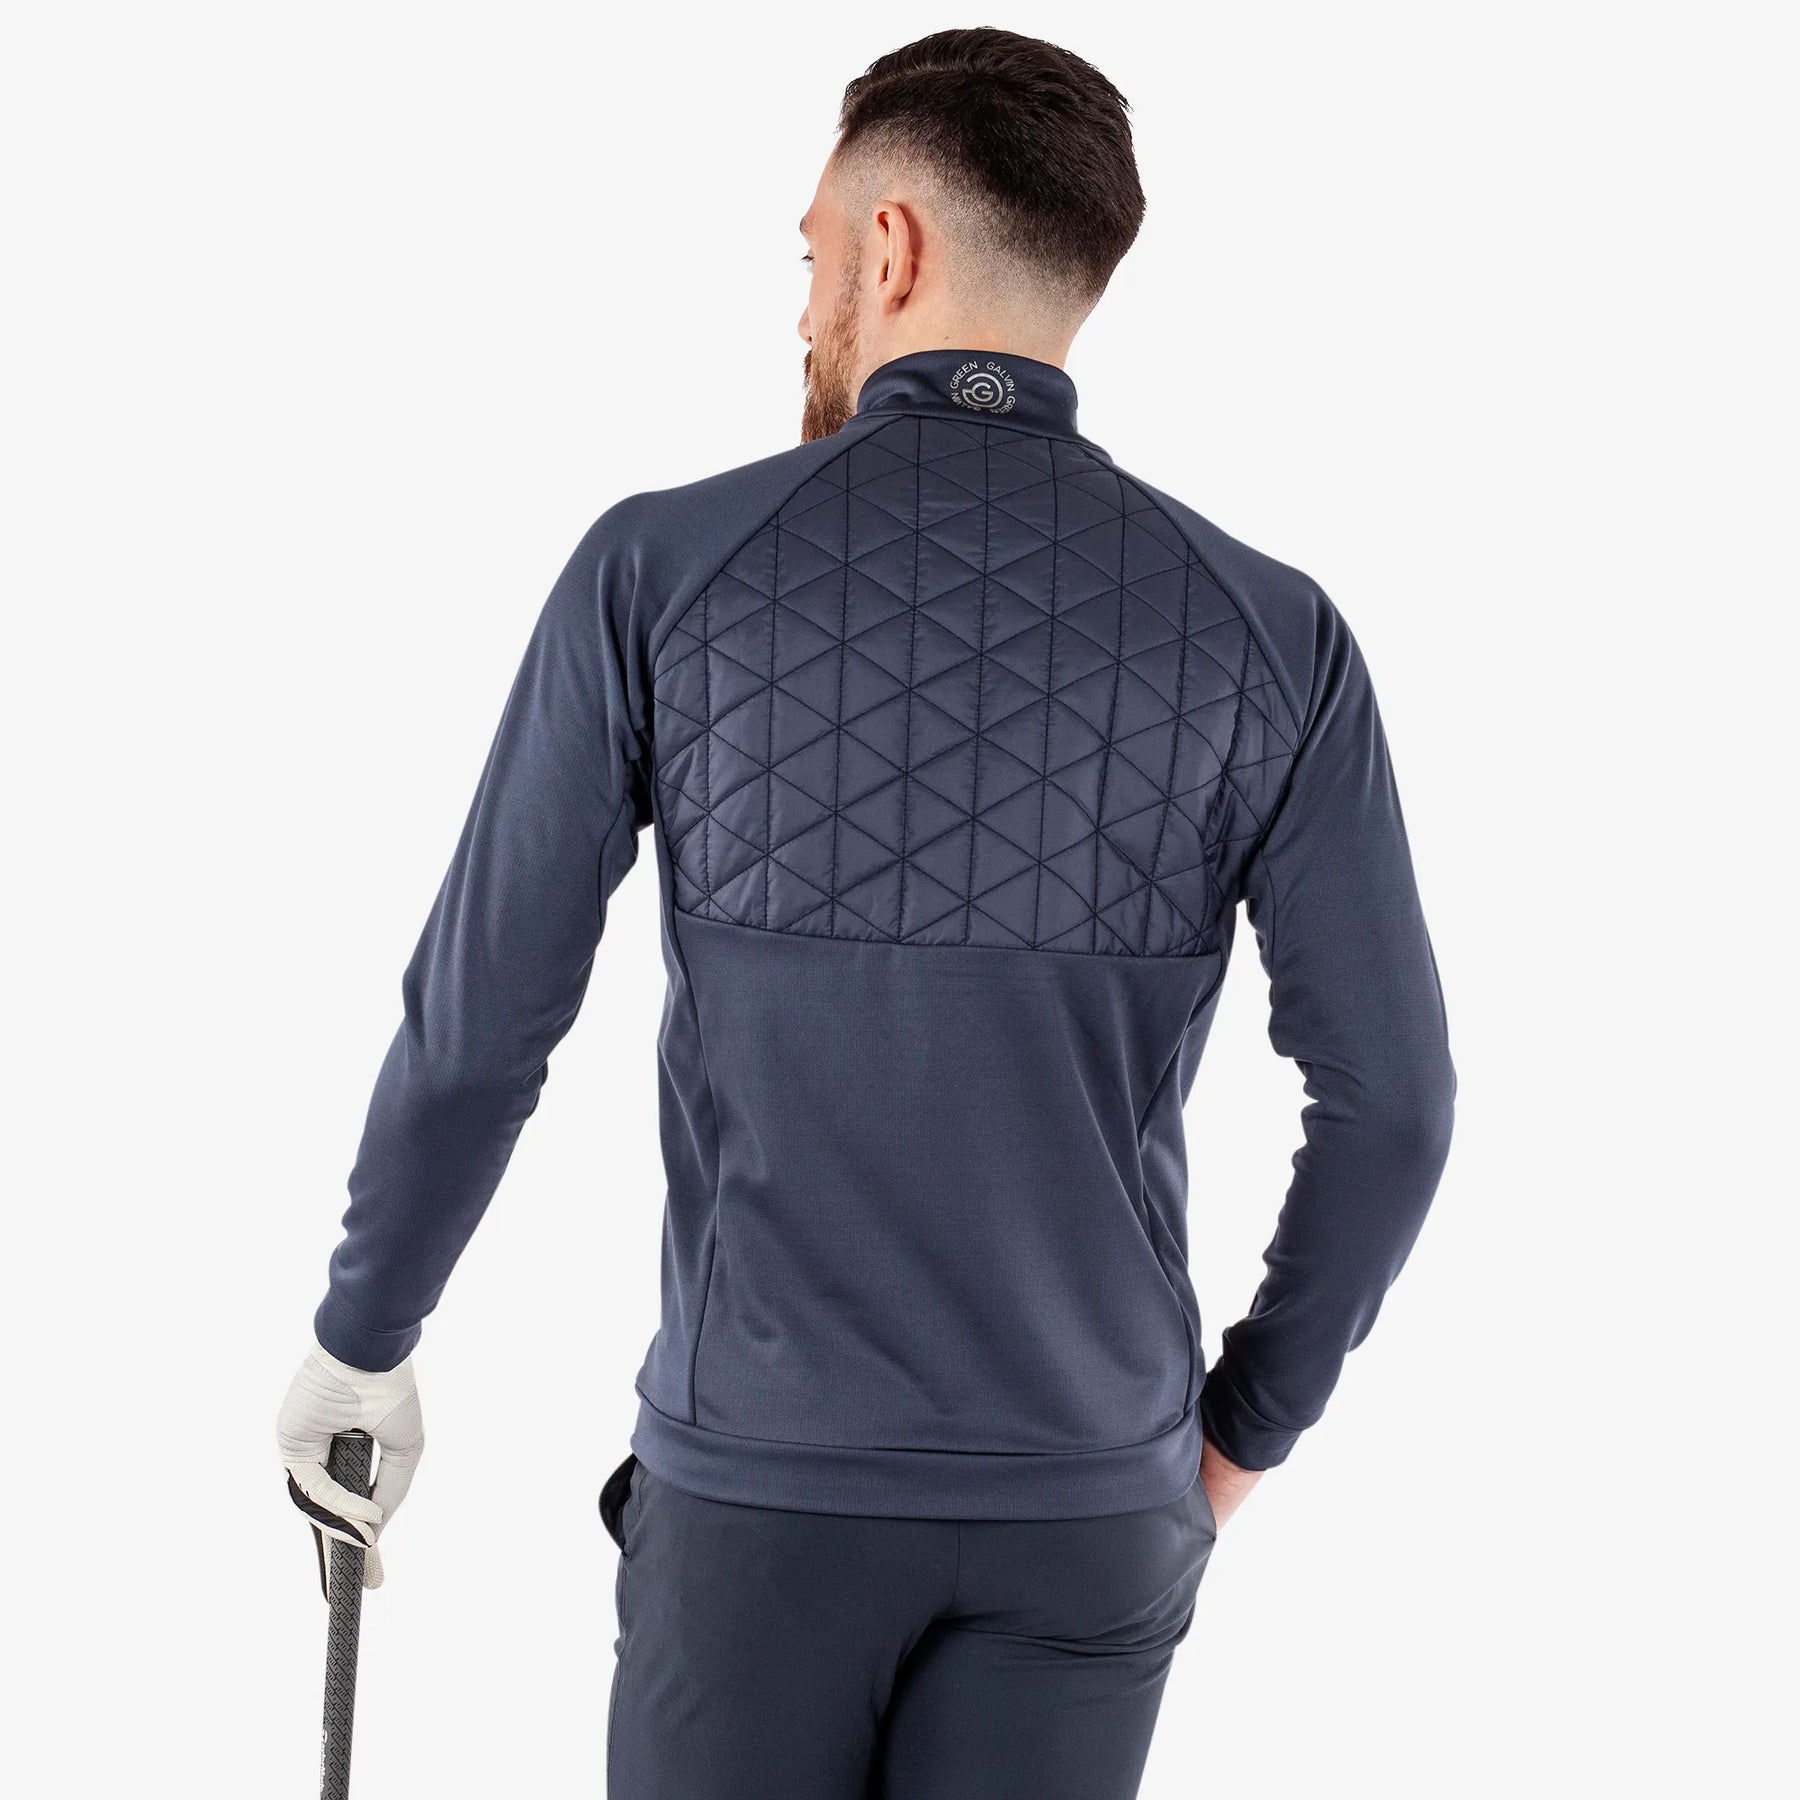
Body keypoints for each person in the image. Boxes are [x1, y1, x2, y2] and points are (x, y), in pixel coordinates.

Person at [276, 27, 1456, 1799]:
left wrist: (363, 1342)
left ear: (889, 248)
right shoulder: (1272, 630)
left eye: (813, 251)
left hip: (763, 1503)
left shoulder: (662, 571)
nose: (804, 304)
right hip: (1090, 1514)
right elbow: (1396, 1107)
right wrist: (1237, 1435)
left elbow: (479, 1033)